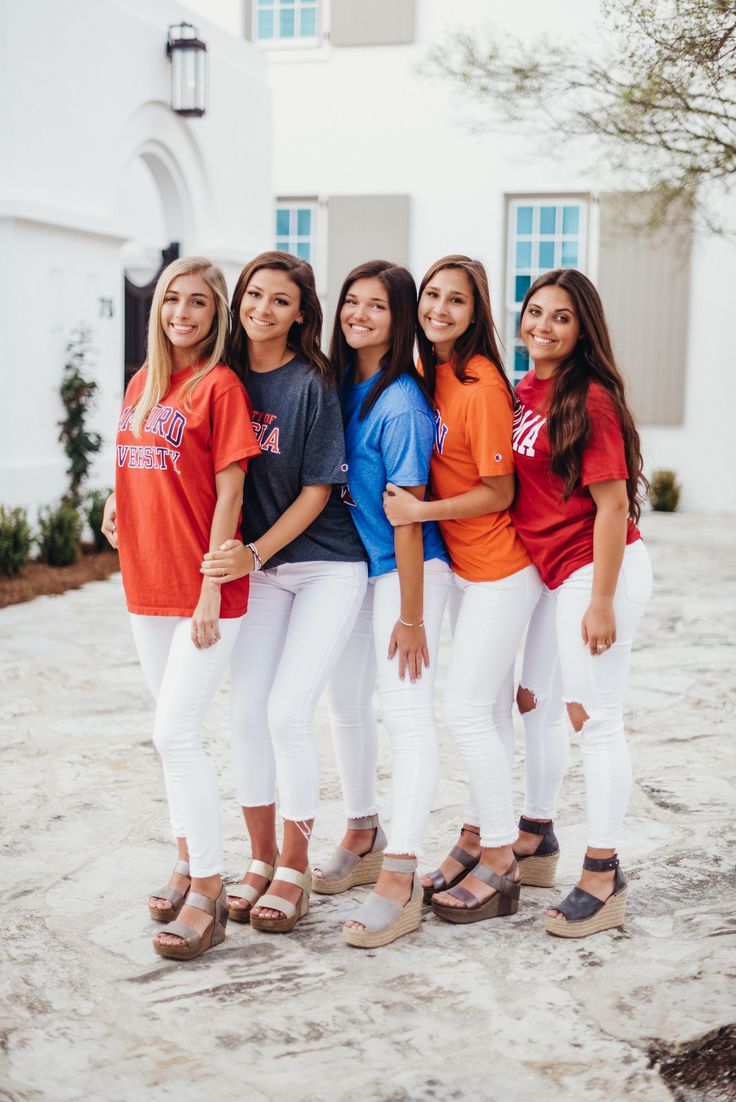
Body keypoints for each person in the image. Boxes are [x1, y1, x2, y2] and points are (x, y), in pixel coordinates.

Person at [200, 251, 367, 934]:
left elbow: (319, 490)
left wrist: (256, 553)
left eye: (279, 301)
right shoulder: (223, 377)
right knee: (246, 715)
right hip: (258, 570)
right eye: (253, 295)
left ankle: (295, 864)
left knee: (289, 712)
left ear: (301, 314)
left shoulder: (310, 383)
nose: (261, 310)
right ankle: (260, 858)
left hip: (325, 563)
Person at [101, 256, 261, 960]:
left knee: (177, 733)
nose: (183, 313)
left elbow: (230, 493)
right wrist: (114, 504)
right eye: (173, 300)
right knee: (169, 736)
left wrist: (207, 592)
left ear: (216, 314)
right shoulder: (144, 381)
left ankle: (208, 889)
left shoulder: (219, 386)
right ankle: (186, 855)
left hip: (204, 592)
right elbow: (133, 462)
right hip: (146, 580)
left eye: (198, 303)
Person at [383, 255, 541, 924]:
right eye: (433, 296)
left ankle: (503, 860)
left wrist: (419, 514)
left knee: (467, 712)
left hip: (503, 570)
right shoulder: (432, 376)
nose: (441, 309)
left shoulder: (480, 387)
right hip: (469, 571)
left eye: (457, 300)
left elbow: (499, 490)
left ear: (476, 314)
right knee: (490, 712)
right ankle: (477, 835)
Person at [313, 260, 452, 948]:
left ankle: (400, 875)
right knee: (344, 703)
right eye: (351, 302)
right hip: (356, 567)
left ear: (400, 321)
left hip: (408, 570)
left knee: (406, 712)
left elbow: (409, 515)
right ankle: (364, 828)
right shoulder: (340, 382)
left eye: (377, 306)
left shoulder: (400, 402)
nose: (359, 314)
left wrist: (412, 615)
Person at [510, 268, 652, 937]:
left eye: (560, 316)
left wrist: (601, 598)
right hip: (549, 574)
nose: (543, 325)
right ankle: (536, 834)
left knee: (595, 715)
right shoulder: (522, 391)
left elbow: (614, 503)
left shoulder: (588, 398)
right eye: (535, 311)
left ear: (582, 327)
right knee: (533, 701)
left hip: (598, 570)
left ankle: (603, 871)